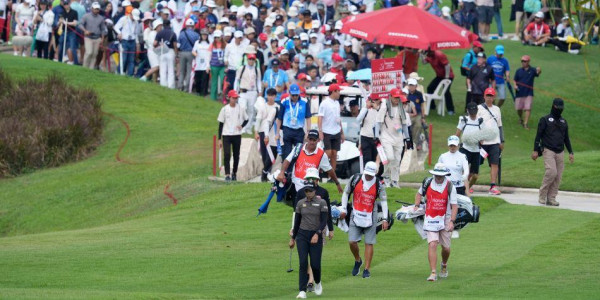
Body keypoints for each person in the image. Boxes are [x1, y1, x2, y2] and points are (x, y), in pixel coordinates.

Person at [340, 161, 389, 279]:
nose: (368, 176)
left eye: (371, 175)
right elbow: (346, 193)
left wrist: (385, 219)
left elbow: (383, 201)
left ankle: (367, 268)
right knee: (352, 241)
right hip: (355, 212)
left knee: (369, 242)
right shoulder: (355, 179)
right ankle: (358, 260)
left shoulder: (378, 184)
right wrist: (343, 208)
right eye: (367, 174)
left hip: (371, 214)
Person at [413, 163, 458, 281]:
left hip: (445, 219)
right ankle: (433, 272)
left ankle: (444, 264)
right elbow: (419, 194)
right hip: (430, 218)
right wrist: (417, 205)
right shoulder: (427, 182)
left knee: (446, 248)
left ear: (444, 175)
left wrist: (452, 221)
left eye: (441, 175)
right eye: (437, 175)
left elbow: (454, 206)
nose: (438, 177)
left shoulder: (450, 186)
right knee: (433, 244)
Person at [294, 167, 335, 292]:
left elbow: (327, 213)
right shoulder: (301, 193)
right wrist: (293, 230)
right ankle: (310, 281)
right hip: (303, 228)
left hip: (319, 229)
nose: (311, 180)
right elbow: (296, 214)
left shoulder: (323, 192)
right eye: (308, 178)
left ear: (317, 179)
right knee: (304, 258)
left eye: (313, 178)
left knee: (314, 258)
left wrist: (331, 229)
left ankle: (312, 280)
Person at [276, 129, 343, 197]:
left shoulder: (322, 154)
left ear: (318, 140)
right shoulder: (298, 148)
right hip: (295, 184)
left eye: (314, 140)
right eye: (310, 139)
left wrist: (337, 183)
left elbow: (329, 170)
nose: (312, 142)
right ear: (307, 139)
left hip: (311, 187)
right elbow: (287, 160)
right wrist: (281, 173)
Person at [532, 98, 574, 206]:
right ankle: (542, 195)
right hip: (548, 150)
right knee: (551, 172)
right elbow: (538, 136)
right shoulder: (545, 120)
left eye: (561, 108)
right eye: (557, 108)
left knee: (558, 176)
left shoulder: (563, 122)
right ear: (553, 106)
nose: (559, 110)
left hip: (560, 151)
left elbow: (566, 138)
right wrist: (535, 150)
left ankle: (551, 198)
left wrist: (571, 152)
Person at [289, 180, 327, 299]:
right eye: (306, 191)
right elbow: (297, 222)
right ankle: (302, 291)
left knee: (315, 265)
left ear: (314, 191)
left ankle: (318, 282)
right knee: (303, 263)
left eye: (310, 191)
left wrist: (318, 234)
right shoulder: (300, 203)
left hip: (316, 236)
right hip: (302, 235)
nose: (308, 193)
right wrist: (293, 238)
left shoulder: (321, 202)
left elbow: (324, 221)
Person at [377, 88, 409, 188]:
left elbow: (404, 125)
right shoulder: (384, 107)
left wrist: (407, 138)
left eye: (398, 98)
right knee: (389, 157)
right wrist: (376, 136)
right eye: (395, 97)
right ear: (390, 96)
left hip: (398, 138)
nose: (396, 100)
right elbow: (378, 122)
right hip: (386, 136)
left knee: (397, 160)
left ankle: (394, 180)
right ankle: (386, 176)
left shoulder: (401, 108)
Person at [477, 88, 504, 195]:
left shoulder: (497, 109)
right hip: (482, 142)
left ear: (493, 97)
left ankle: (493, 186)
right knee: (476, 163)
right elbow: (475, 124)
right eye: (488, 95)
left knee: (494, 163)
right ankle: (468, 184)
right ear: (484, 96)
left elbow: (500, 125)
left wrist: (502, 140)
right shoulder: (479, 108)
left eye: (491, 96)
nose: (489, 98)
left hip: (494, 142)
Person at [217, 90, 248, 182]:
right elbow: (221, 124)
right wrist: (219, 138)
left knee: (236, 155)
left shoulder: (240, 108)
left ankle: (234, 173)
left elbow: (247, 119)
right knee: (227, 154)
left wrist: (241, 126)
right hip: (226, 134)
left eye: (236, 98)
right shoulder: (224, 109)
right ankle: (227, 174)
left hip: (236, 134)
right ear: (229, 98)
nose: (234, 100)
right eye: (233, 98)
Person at [276, 83, 312, 161]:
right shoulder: (284, 102)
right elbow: (279, 118)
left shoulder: (304, 102)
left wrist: (308, 132)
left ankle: (295, 171)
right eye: (293, 95)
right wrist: (277, 132)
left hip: (299, 131)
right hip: (287, 129)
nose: (295, 97)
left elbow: (308, 117)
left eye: (296, 95)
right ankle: (287, 171)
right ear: (289, 93)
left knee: (298, 153)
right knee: (287, 152)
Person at [455, 102, 485, 194]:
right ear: (467, 111)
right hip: (465, 149)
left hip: (476, 150)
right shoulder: (463, 120)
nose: (473, 114)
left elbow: (483, 138)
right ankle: (460, 189)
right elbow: (457, 134)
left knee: (475, 175)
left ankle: (465, 188)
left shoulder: (480, 121)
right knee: (463, 171)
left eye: (474, 111)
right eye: (471, 112)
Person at [318, 83, 345, 177]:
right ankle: (320, 171)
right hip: (327, 131)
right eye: (338, 91)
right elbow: (320, 117)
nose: (339, 93)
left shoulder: (337, 103)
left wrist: (342, 132)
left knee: (334, 154)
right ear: (333, 92)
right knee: (327, 153)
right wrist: (320, 131)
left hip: (336, 131)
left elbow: (338, 118)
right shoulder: (324, 103)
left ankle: (332, 176)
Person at [235, 46, 262, 134]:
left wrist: (260, 91)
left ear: (254, 60)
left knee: (251, 110)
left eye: (252, 59)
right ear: (247, 59)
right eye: (249, 59)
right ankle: (242, 126)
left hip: (253, 92)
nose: (251, 61)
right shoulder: (241, 68)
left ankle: (248, 127)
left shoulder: (257, 69)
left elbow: (258, 81)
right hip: (243, 91)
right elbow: (237, 80)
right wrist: (235, 91)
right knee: (242, 108)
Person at [255, 88, 280, 181]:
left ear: (275, 96)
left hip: (273, 134)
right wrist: (256, 131)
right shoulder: (263, 107)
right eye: (269, 95)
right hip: (263, 132)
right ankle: (265, 173)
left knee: (272, 154)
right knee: (265, 154)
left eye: (272, 95)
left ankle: (267, 173)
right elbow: (258, 120)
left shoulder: (277, 107)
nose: (270, 97)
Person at [422, 50, 455, 115]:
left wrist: (447, 77)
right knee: (430, 88)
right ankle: (432, 106)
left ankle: (451, 110)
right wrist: (421, 55)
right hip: (439, 76)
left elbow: (447, 65)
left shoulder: (439, 55)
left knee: (446, 91)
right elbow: (424, 62)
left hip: (448, 75)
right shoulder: (429, 55)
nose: (427, 56)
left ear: (431, 51)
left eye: (427, 54)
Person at [513, 55, 541, 129]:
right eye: (522, 61)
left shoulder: (532, 70)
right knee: (519, 109)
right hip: (519, 92)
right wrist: (515, 86)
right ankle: (521, 118)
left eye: (525, 61)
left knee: (528, 108)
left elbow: (538, 73)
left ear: (528, 62)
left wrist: (539, 70)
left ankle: (525, 124)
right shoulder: (518, 71)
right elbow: (515, 80)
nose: (523, 62)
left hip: (529, 93)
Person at [357, 94, 382, 170]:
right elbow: (358, 120)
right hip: (365, 137)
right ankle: (366, 175)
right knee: (367, 159)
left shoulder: (381, 109)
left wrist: (377, 108)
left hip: (377, 138)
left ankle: (376, 177)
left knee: (376, 159)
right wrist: (366, 107)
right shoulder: (365, 109)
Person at [79, 2, 106, 69]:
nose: (96, 10)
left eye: (97, 9)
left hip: (97, 38)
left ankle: (91, 69)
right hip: (88, 37)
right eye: (95, 9)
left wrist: (102, 39)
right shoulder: (86, 16)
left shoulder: (101, 18)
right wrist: (85, 31)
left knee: (94, 54)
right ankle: (85, 67)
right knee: (89, 52)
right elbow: (80, 24)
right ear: (92, 8)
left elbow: (103, 29)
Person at [115, 8, 141, 75]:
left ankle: (130, 75)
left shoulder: (136, 22)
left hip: (132, 41)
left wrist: (137, 43)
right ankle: (119, 72)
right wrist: (119, 33)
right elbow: (116, 27)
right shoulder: (124, 19)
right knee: (123, 59)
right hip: (124, 41)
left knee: (131, 60)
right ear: (131, 14)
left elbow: (136, 33)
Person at [154, 19, 178, 89]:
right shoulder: (173, 33)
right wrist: (176, 55)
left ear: (163, 25)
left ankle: (163, 85)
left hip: (162, 51)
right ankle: (171, 86)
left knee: (162, 69)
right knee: (171, 70)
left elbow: (154, 43)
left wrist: (159, 45)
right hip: (170, 51)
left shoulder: (160, 33)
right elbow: (175, 45)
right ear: (170, 25)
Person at [178, 18, 199, 92]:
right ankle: (187, 87)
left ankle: (180, 86)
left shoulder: (182, 34)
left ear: (186, 26)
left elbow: (178, 44)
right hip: (191, 53)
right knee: (189, 71)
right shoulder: (196, 35)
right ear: (193, 26)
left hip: (182, 52)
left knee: (182, 71)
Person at [406, 78, 426, 151]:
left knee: (418, 126)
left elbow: (422, 105)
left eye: (413, 85)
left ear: (416, 86)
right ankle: (409, 142)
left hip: (417, 114)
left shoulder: (419, 94)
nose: (411, 87)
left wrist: (423, 117)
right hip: (408, 114)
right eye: (410, 85)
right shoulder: (406, 94)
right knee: (409, 128)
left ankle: (414, 143)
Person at [192, 28, 211, 96]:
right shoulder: (197, 43)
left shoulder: (209, 43)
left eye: (206, 35)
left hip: (206, 64)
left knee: (205, 80)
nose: (204, 36)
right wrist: (195, 54)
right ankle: (198, 91)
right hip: (198, 64)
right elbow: (193, 51)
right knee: (198, 79)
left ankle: (203, 93)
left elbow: (210, 53)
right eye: (203, 35)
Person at [209, 29, 226, 101]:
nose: (216, 39)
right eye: (215, 37)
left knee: (224, 80)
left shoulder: (225, 45)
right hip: (214, 65)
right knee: (214, 82)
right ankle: (213, 98)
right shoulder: (212, 45)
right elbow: (209, 55)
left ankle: (224, 97)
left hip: (223, 66)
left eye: (218, 37)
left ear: (221, 37)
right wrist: (208, 65)